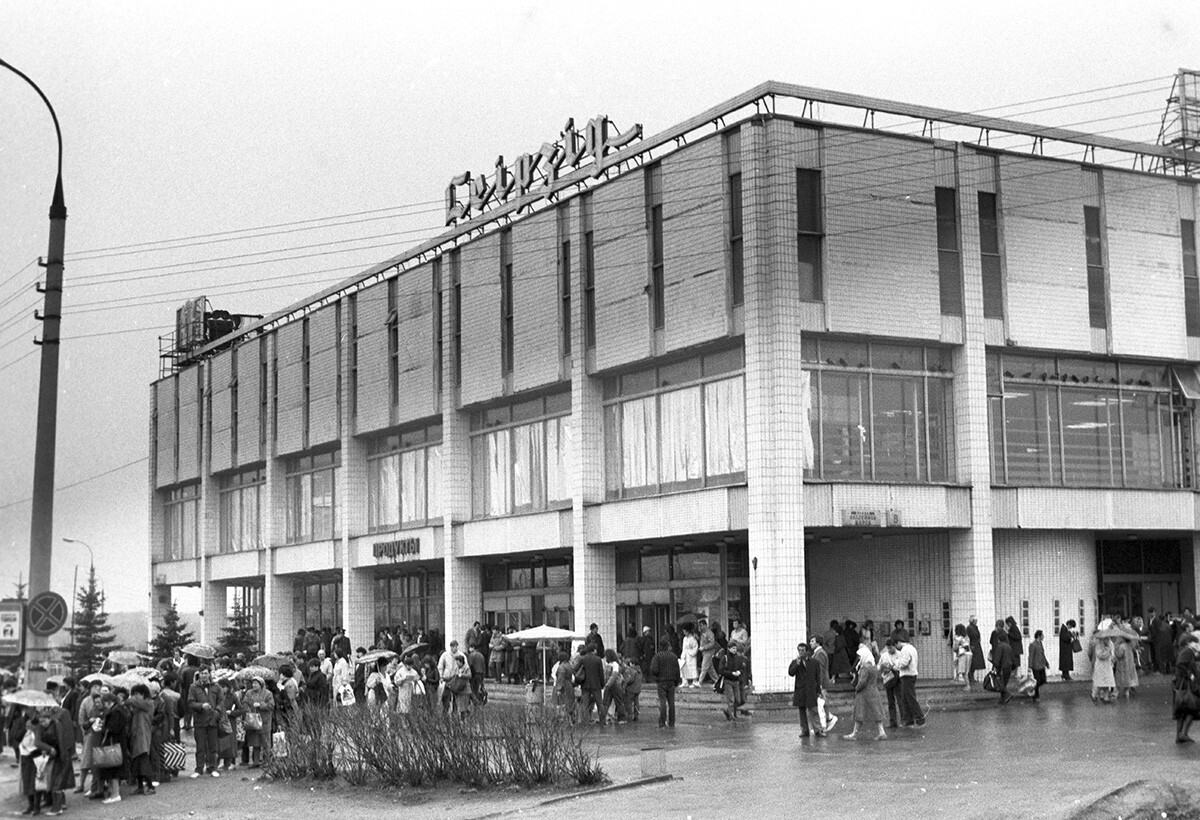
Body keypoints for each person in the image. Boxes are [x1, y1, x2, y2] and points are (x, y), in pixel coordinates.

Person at [844, 644, 887, 741]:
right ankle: (881, 732)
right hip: (874, 691)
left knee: (859, 713)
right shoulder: (873, 666)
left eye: (859, 656)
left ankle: (854, 733)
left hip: (864, 693)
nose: (859, 658)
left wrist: (856, 688)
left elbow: (862, 682)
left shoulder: (865, 668)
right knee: (876, 712)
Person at [188, 667, 222, 778]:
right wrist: (201, 706)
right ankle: (198, 769)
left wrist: (217, 712)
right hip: (199, 721)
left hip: (213, 720)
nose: (204, 675)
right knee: (200, 746)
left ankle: (212, 767)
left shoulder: (216, 687)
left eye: (206, 673)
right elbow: (190, 703)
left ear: (209, 674)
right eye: (202, 673)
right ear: (199, 675)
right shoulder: (193, 687)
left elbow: (220, 702)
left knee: (213, 746)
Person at [788, 643, 824, 738]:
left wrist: (818, 690)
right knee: (802, 711)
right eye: (799, 650)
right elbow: (791, 672)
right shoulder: (795, 662)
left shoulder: (814, 662)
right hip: (800, 690)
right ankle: (804, 730)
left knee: (813, 710)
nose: (801, 653)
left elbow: (817, 677)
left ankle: (818, 729)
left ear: (807, 651)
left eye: (803, 650)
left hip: (811, 690)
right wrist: (797, 664)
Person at [126, 684, 156, 794]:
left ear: (143, 694)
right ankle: (140, 787)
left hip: (143, 736)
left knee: (144, 762)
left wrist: (129, 698)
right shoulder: (138, 706)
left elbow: (132, 701)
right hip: (136, 736)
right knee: (136, 763)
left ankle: (151, 786)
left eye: (136, 694)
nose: (134, 696)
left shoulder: (148, 703)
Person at [892, 630, 924, 728]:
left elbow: (904, 663)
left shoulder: (905, 649)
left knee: (910, 698)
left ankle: (919, 719)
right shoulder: (912, 648)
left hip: (907, 675)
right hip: (911, 674)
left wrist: (896, 664)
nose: (896, 649)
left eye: (895, 646)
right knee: (905, 698)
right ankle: (909, 720)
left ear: (897, 643)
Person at [1173, 632, 1200, 743]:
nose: (1197, 644)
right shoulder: (1187, 651)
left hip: (1182, 684)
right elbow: (1180, 664)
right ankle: (1183, 733)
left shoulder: (1188, 651)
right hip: (1187, 685)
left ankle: (1180, 734)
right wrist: (1190, 675)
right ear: (1190, 643)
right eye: (1195, 643)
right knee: (1191, 709)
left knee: (1182, 710)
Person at [648, 637, 681, 728]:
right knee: (671, 702)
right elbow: (677, 670)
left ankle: (662, 721)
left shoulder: (657, 656)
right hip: (671, 681)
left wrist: (656, 677)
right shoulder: (674, 656)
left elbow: (653, 669)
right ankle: (672, 721)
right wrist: (676, 681)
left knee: (662, 702)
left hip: (661, 681)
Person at [808, 635, 837, 733]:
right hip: (822, 682)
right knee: (822, 703)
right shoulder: (818, 653)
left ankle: (825, 722)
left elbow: (819, 670)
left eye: (812, 641)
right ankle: (825, 722)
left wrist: (818, 684)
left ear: (818, 642)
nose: (810, 643)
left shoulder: (819, 653)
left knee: (821, 703)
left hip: (821, 682)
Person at [241, 677, 273, 768]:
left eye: (256, 683)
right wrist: (250, 709)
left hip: (264, 721)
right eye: (253, 683)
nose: (254, 685)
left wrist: (261, 705)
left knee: (265, 742)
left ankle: (267, 761)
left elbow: (271, 705)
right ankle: (256, 761)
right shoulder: (249, 693)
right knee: (255, 742)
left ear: (261, 684)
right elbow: (244, 703)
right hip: (252, 721)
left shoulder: (268, 693)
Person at [575, 646, 606, 724]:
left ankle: (584, 721)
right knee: (600, 703)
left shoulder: (582, 659)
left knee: (585, 704)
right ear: (594, 650)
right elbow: (601, 673)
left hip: (585, 684)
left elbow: (576, 669)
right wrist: (602, 684)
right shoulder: (598, 659)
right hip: (596, 684)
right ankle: (603, 720)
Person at [721, 642, 751, 720]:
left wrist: (739, 672)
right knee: (731, 699)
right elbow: (721, 670)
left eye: (735, 648)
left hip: (736, 681)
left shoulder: (738, 658)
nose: (734, 650)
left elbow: (742, 668)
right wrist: (731, 673)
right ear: (729, 649)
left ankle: (729, 711)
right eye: (733, 648)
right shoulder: (725, 658)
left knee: (737, 699)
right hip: (728, 681)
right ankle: (732, 715)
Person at [1089, 623, 1117, 704]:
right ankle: (1094, 695)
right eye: (1106, 639)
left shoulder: (1111, 644)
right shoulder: (1098, 645)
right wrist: (1107, 651)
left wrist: (1113, 657)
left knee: (1107, 682)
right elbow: (1100, 655)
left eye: (1108, 639)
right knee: (1099, 682)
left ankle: (1106, 697)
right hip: (1101, 666)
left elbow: (1112, 653)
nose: (1108, 640)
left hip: (1108, 666)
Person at [601, 649, 627, 724]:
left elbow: (614, 675)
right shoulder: (610, 664)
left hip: (615, 685)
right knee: (606, 701)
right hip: (611, 685)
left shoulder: (615, 664)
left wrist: (607, 684)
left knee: (617, 701)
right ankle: (604, 717)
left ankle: (622, 717)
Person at [991, 625, 1015, 705]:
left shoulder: (999, 646)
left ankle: (1008, 694)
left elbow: (997, 658)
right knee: (1004, 683)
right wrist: (1014, 666)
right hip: (1009, 667)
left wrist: (995, 667)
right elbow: (1012, 657)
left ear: (999, 639)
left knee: (1000, 683)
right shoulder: (1009, 646)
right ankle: (1003, 699)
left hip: (1002, 667)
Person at [1027, 630, 1048, 701]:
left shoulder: (1040, 643)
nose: (1043, 636)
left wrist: (1046, 663)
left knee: (1043, 680)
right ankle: (1035, 695)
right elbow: (1031, 656)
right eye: (1042, 635)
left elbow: (1043, 654)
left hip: (1041, 665)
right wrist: (1030, 666)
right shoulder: (1033, 645)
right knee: (1037, 681)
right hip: (1036, 666)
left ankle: (1033, 690)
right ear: (1039, 636)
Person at [966, 616, 986, 690]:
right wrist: (970, 646)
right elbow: (968, 637)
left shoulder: (973, 627)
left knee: (974, 662)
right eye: (975, 620)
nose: (976, 621)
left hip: (976, 645)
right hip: (973, 645)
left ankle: (972, 676)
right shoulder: (970, 628)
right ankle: (970, 677)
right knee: (972, 662)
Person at [697, 620, 719, 685]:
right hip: (704, 652)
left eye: (701, 625)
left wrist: (704, 647)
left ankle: (699, 682)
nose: (700, 627)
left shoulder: (709, 633)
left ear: (705, 625)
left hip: (709, 652)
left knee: (704, 666)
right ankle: (717, 680)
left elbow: (712, 643)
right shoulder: (702, 633)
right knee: (710, 668)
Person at [952, 624, 971, 689]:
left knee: (963, 671)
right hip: (968, 654)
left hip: (962, 655)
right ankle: (956, 679)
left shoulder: (958, 638)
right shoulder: (966, 637)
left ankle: (967, 685)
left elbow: (955, 648)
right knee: (960, 667)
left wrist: (955, 647)